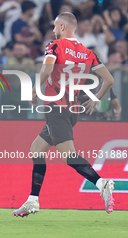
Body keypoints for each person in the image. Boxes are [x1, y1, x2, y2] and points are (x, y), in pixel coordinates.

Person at [12, 12, 115, 217]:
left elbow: (48, 69)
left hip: (56, 109)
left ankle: (101, 183)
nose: (52, 31)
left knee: (68, 156)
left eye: (54, 27)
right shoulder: (88, 52)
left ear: (61, 27)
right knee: (36, 150)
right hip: (72, 110)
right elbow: (109, 80)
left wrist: (34, 90)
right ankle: (33, 200)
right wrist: (95, 99)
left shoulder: (55, 46)